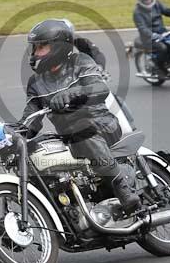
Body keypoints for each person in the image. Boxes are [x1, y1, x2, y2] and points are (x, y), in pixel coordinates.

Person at [20, 19, 141, 214]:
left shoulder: (80, 61)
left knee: (82, 130)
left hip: (100, 125)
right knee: (34, 150)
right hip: (69, 137)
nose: (35, 53)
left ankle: (121, 187)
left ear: (57, 47)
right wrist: (15, 133)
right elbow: (31, 117)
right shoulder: (35, 82)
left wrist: (73, 93)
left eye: (41, 47)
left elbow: (100, 88)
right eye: (34, 48)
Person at [57, 18, 135, 134]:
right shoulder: (53, 50)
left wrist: (99, 67)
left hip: (86, 80)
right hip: (66, 85)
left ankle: (131, 125)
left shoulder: (80, 42)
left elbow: (96, 53)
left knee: (113, 98)